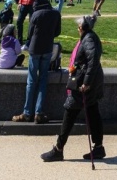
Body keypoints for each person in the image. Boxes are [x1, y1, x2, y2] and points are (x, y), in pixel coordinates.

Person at [41, 15, 106, 162]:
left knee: (69, 113)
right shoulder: (91, 37)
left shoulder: (88, 39)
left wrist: (87, 82)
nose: (77, 30)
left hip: (84, 83)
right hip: (91, 82)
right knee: (93, 112)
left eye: (78, 27)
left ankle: (58, 149)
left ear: (83, 28)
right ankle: (98, 148)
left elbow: (93, 59)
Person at [12, 0, 61, 124]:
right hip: (47, 49)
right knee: (43, 79)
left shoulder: (36, 14)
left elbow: (29, 33)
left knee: (31, 81)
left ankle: (27, 112)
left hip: (35, 49)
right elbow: (57, 32)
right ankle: (39, 113)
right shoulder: (56, 13)